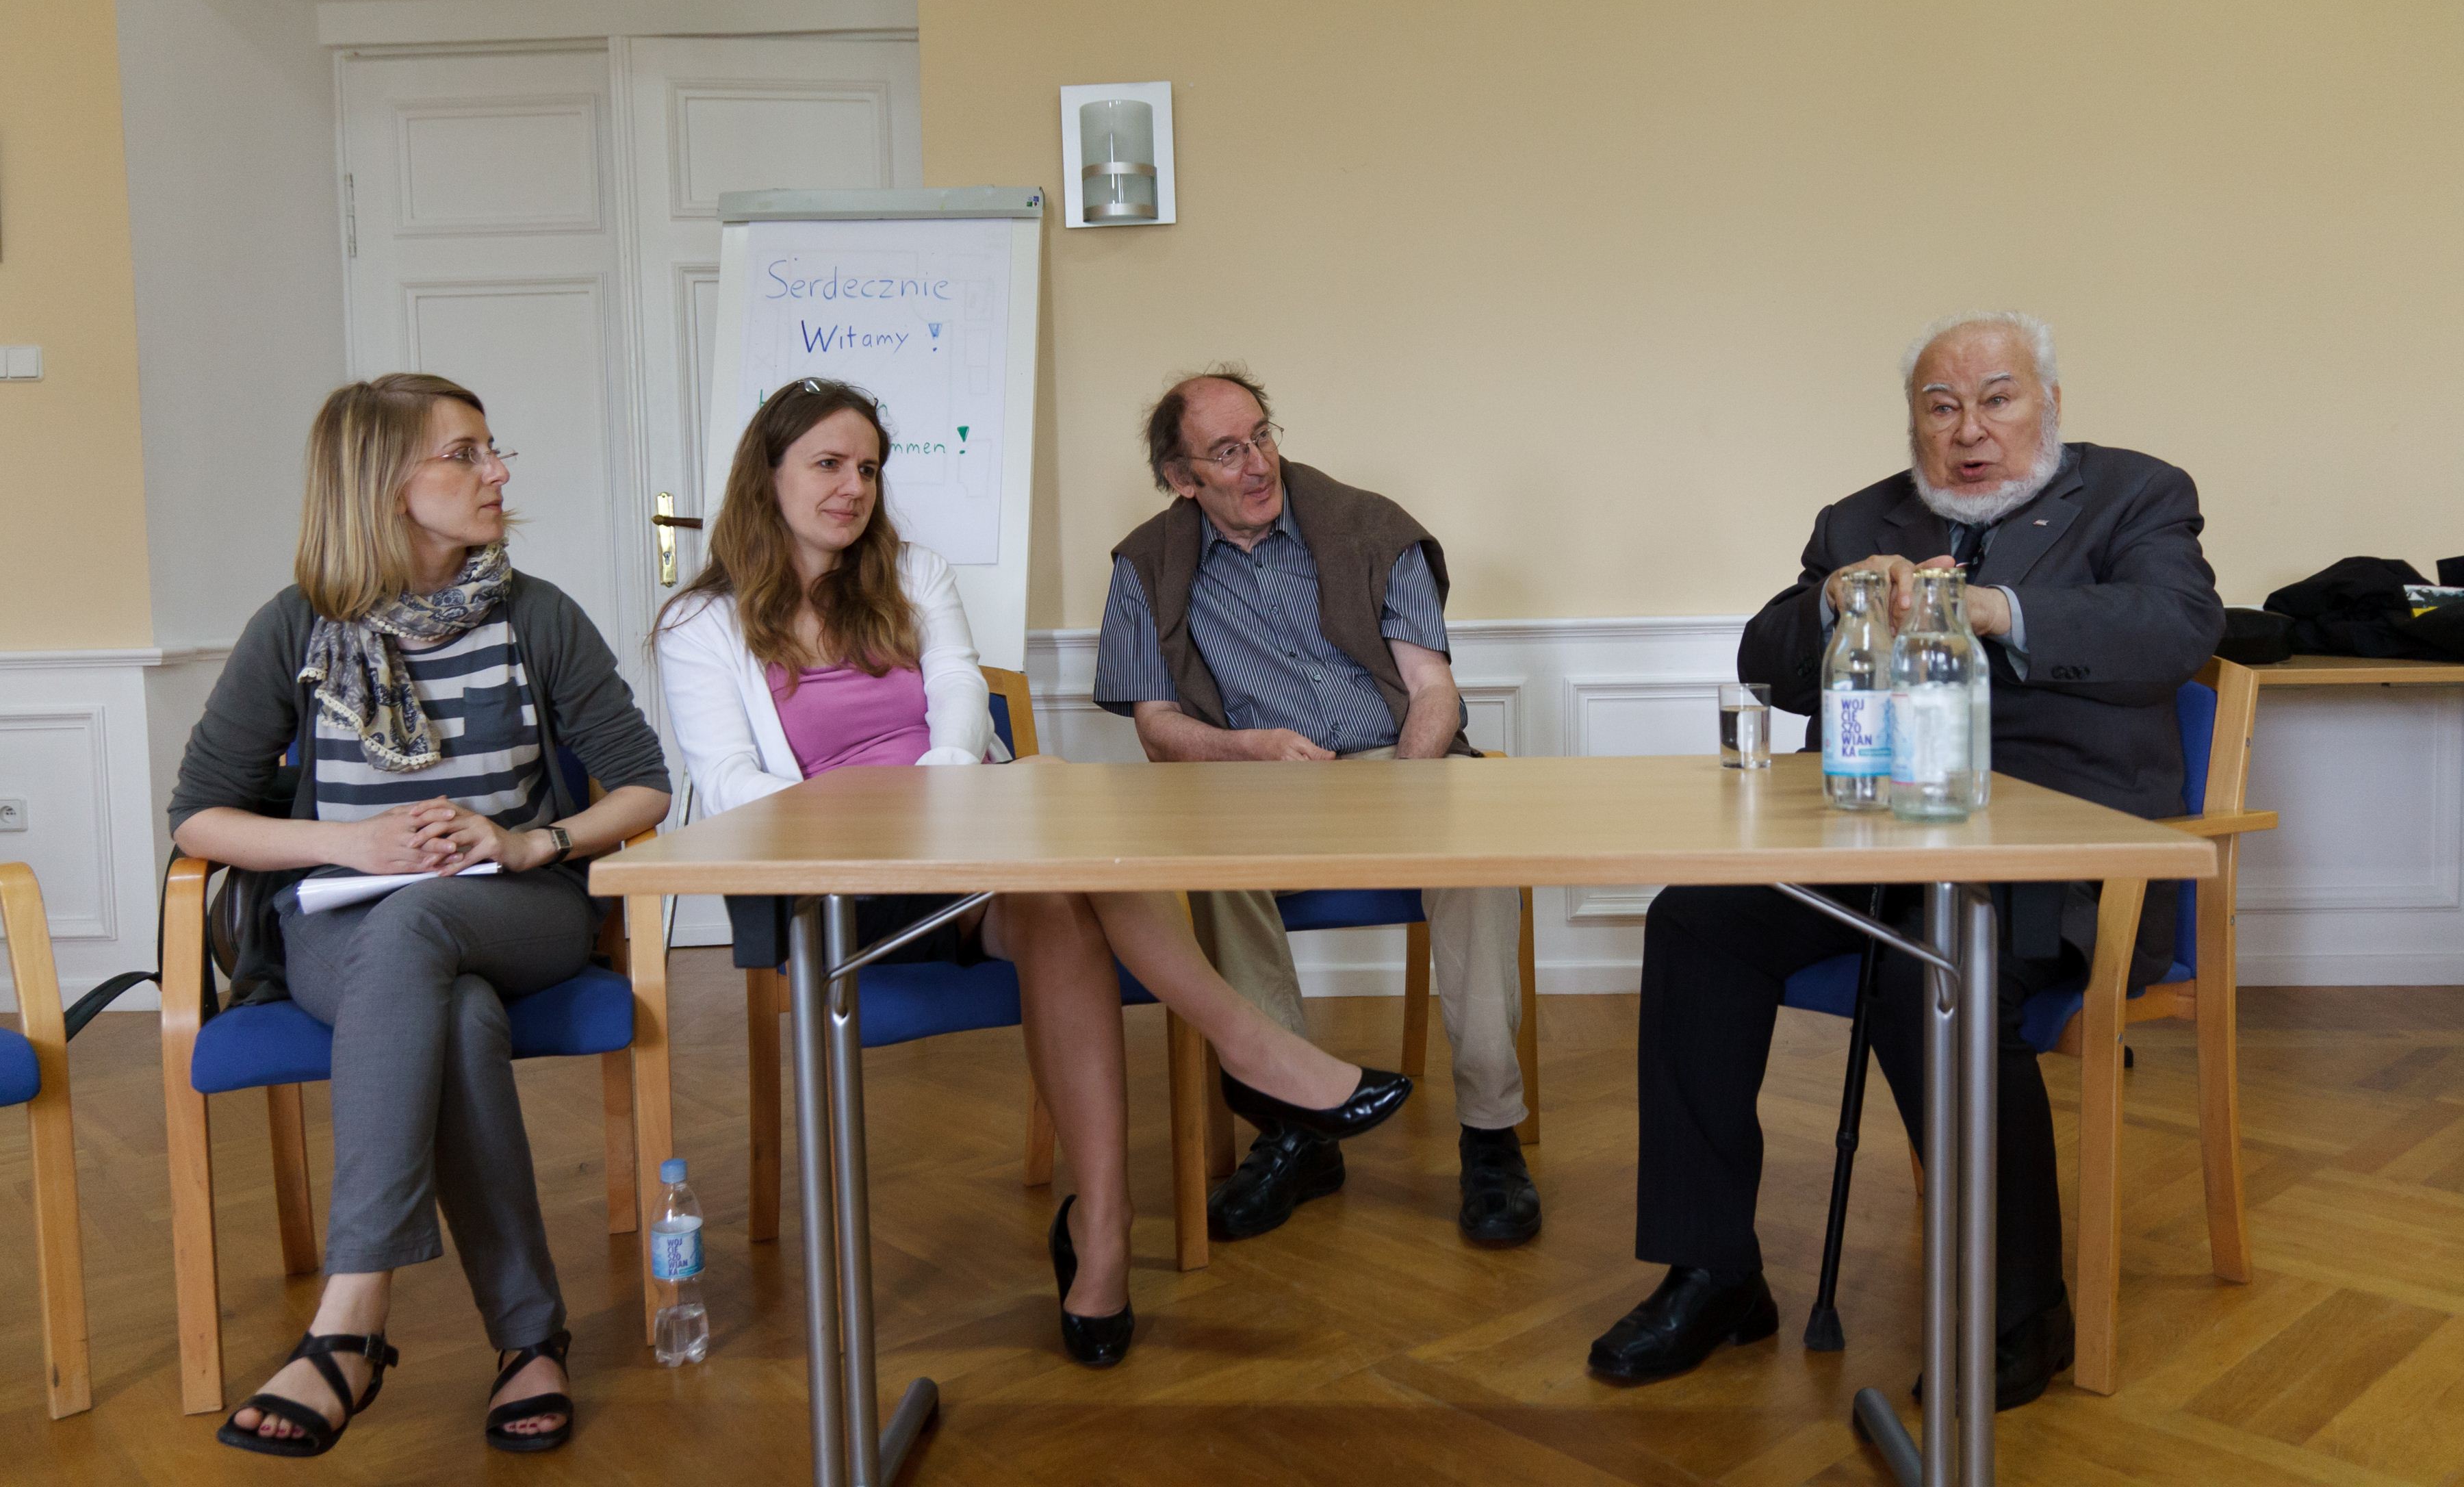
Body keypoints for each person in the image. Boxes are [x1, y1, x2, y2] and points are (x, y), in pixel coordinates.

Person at [655, 377, 1410, 1368]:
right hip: (837, 886)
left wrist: (944, 805)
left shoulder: (912, 572)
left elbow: (960, 695)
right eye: (828, 465)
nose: (853, 489)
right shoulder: (700, 624)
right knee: (1055, 814)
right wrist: (907, 823)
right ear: (767, 476)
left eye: (868, 468)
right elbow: (732, 788)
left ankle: (1104, 1229)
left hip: (970, 851)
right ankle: (1254, 1053)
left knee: (1057, 887)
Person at [1588, 312, 2225, 1410]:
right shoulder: (1859, 519)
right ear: (1914, 422)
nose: (1969, 430)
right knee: (1697, 920)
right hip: (1866, 837)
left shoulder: (2136, 494)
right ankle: (1714, 1271)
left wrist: (1992, 611)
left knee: (1930, 965)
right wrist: (1832, 604)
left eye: (1997, 399)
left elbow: (2173, 629)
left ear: (2049, 404)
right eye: (1942, 407)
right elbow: (1768, 662)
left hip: (2054, 853)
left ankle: (2022, 1311)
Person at [170, 374, 675, 1457]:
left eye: (493, 448)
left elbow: (643, 786)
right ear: (381, 484)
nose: (497, 472)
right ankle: (529, 1338)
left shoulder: (536, 614)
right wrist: (348, 844)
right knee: (452, 1009)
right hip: (341, 925)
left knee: (418, 928)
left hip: (520, 908)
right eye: (465, 453)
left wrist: (529, 842)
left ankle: (350, 1321)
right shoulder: (296, 626)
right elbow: (201, 817)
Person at [1092, 365, 1539, 1246]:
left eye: (1262, 435)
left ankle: (1491, 1135)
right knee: (1208, 860)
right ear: (1182, 478)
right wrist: (1250, 750)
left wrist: (1406, 787)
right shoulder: (1145, 565)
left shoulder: (1373, 527)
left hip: (1396, 761)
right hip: (1257, 779)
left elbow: (1433, 690)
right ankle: (1297, 1126)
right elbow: (1156, 727)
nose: (1259, 464)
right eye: (1228, 452)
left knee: (1478, 849)